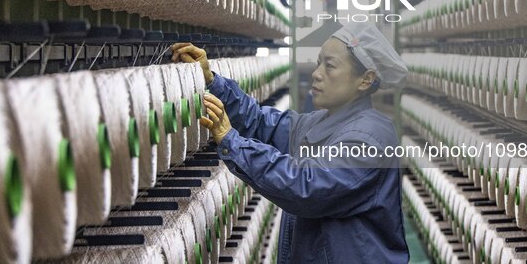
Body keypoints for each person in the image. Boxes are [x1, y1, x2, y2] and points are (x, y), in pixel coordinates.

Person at [171, 23, 410, 263]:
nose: (317, 73)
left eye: (330, 66)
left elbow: (305, 186)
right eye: (319, 63)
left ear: (365, 80)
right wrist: (212, 81)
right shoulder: (323, 122)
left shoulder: (369, 138)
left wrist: (232, 142)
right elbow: (262, 123)